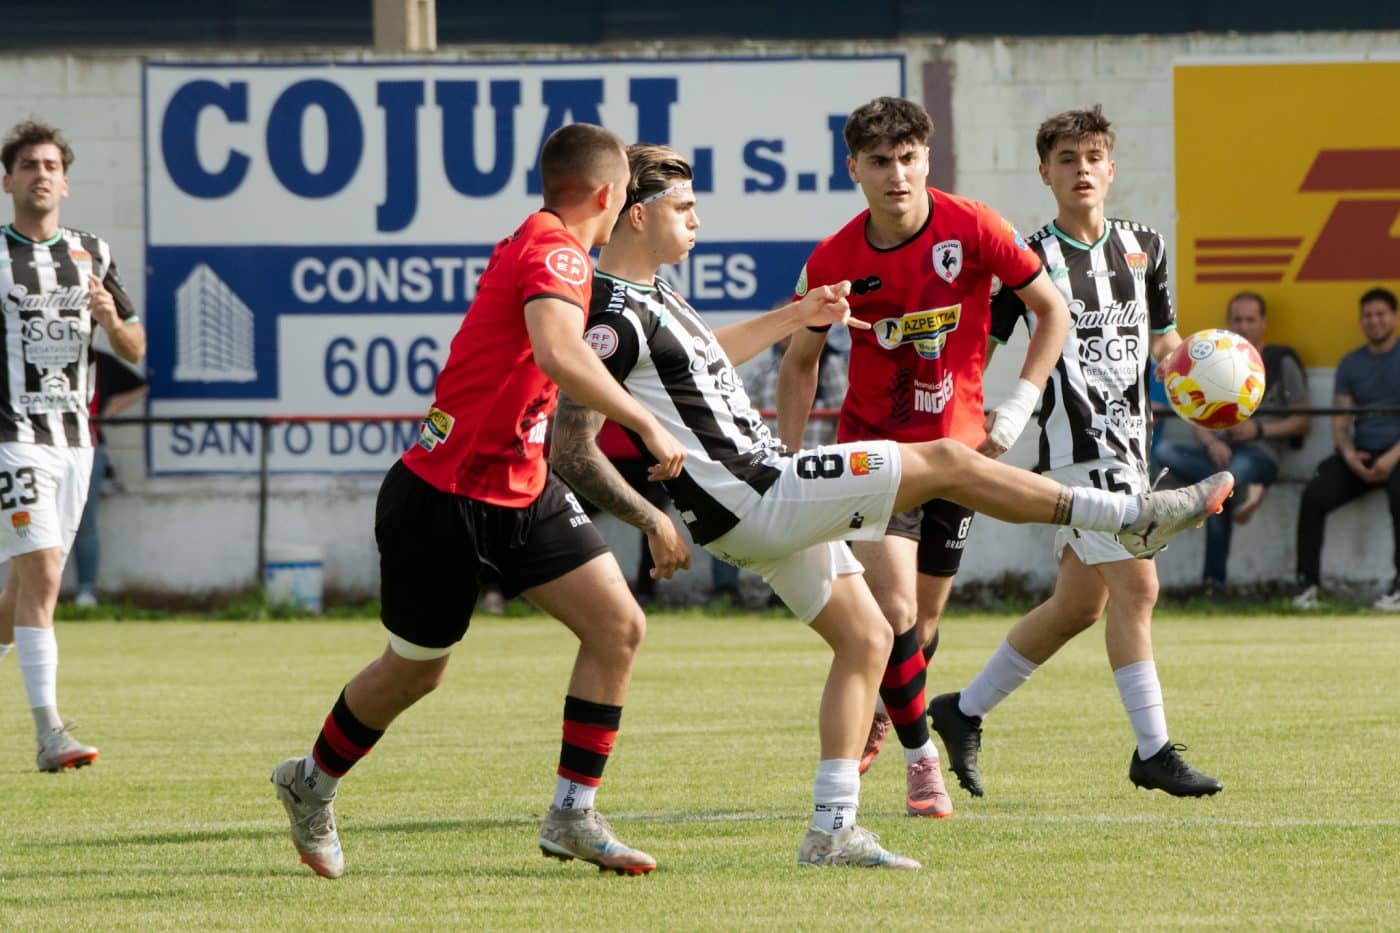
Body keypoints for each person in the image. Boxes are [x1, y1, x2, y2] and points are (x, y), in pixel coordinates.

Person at [549, 143, 1232, 869]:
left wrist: (797, 315)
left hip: (752, 507)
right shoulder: (611, 312)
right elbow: (571, 444)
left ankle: (831, 828)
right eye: (684, 207)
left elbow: (699, 357)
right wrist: (649, 516)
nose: (697, 219)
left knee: (870, 638)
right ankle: (1127, 516)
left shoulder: (656, 299)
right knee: (943, 459)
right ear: (635, 215)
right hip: (756, 495)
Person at [269, 123, 688, 880]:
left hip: (521, 488)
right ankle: (310, 781)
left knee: (618, 625)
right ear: (609, 194)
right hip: (443, 495)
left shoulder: (554, 247)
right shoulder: (554, 250)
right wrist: (643, 420)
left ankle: (571, 813)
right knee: (416, 670)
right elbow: (561, 353)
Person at [776, 96, 1072, 801]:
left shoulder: (972, 225)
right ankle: (920, 759)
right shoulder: (834, 259)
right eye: (880, 162)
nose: (897, 175)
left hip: (959, 455)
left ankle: (889, 705)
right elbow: (797, 364)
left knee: (925, 622)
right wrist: (784, 465)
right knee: (896, 611)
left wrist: (1021, 402)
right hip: (874, 456)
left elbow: (1051, 310)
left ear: (926, 159)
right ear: (854, 168)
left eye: (908, 159)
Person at [929, 105, 1226, 801]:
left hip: (1131, 444)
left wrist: (1203, 375)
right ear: (1045, 174)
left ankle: (962, 709)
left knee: (1077, 606)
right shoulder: (1029, 261)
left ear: (1112, 169)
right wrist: (972, 424)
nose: (1082, 170)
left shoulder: (1145, 246)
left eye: (1093, 157)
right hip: (1073, 451)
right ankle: (1153, 750)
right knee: (1139, 585)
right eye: (1067, 159)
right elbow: (984, 350)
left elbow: (1162, 345)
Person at [0, 121, 146, 771]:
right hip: (14, 437)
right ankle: (49, 731)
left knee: (25, 592)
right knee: (47, 571)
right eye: (27, 164)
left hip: (75, 441)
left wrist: (109, 317)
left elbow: (136, 346)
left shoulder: (93, 253)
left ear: (66, 179)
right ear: (7, 181)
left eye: (50, 164)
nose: (40, 173)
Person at [1154, 293, 1310, 590]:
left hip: (1259, 454)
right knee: (1168, 452)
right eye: (1237, 319)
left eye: (1250, 319)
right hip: (1217, 455)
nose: (1244, 326)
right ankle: (1245, 495)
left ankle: (1213, 583)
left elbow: (1303, 420)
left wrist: (1259, 431)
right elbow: (1195, 417)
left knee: (1216, 491)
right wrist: (1212, 442)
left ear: (1263, 323)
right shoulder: (1213, 359)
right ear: (1228, 323)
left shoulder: (1282, 360)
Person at [1293, 287, 1400, 611]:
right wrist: (1351, 456)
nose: (1374, 320)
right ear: (1360, 321)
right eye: (1368, 315)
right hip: (1362, 454)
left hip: (1398, 455)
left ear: (1394, 317)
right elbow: (1340, 419)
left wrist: (1391, 458)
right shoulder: (1351, 363)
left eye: (1381, 314)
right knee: (1313, 496)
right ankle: (1306, 586)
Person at [72, 349, 148, 607]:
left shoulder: (99, 360)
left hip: (89, 447)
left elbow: (138, 386)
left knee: (85, 522)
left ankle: (85, 592)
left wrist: (106, 413)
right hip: (41, 447)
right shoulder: (27, 356)